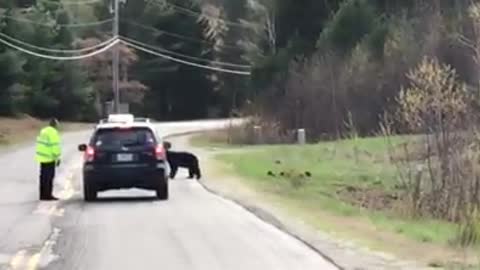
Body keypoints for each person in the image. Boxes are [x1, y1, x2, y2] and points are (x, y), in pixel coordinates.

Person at [35, 118, 62, 201]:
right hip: (49, 158)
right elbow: (55, 147)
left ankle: (42, 195)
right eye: (57, 124)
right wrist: (57, 158)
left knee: (43, 177)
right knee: (49, 177)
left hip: (42, 157)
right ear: (55, 125)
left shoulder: (44, 131)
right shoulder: (53, 133)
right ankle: (48, 195)